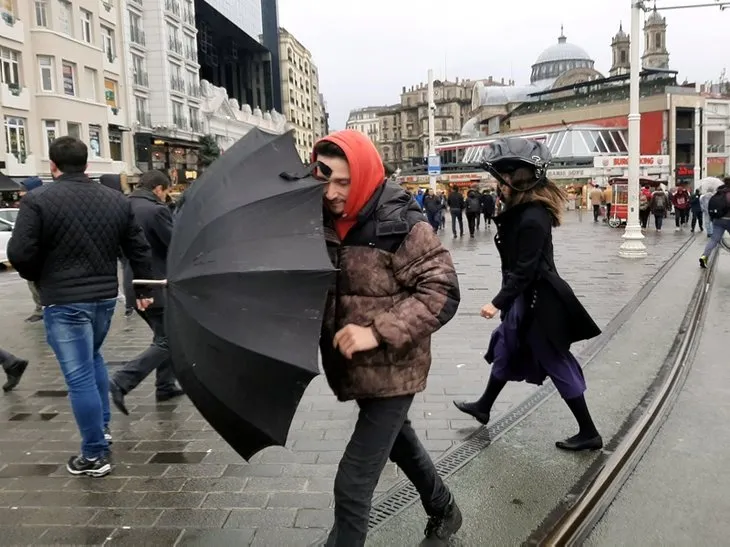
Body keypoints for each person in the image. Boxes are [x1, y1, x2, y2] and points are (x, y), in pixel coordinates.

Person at [313, 130, 462, 547]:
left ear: (363, 176)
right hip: (355, 369)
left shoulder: (402, 226)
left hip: (397, 369)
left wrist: (375, 332)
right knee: (401, 444)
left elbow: (443, 292)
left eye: (343, 182)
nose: (332, 192)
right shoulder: (320, 221)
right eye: (325, 179)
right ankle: (444, 508)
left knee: (353, 482)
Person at [7, 137, 153, 477]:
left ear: (53, 165)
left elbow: (19, 252)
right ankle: (100, 429)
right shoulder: (115, 199)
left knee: (79, 376)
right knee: (92, 360)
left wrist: (38, 278)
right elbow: (138, 246)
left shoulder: (38, 200)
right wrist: (143, 286)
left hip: (64, 299)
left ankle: (94, 454)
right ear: (86, 164)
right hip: (104, 298)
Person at [453, 138, 602, 451]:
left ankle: (589, 431)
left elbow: (526, 270)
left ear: (517, 182)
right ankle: (483, 406)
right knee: (506, 345)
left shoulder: (532, 217)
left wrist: (497, 302)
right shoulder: (523, 213)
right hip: (526, 300)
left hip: (540, 302)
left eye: (503, 180)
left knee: (556, 362)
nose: (499, 186)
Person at [109, 170, 183, 415]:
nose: (166, 197)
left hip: (133, 283)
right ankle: (122, 381)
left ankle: (165, 386)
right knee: (168, 339)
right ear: (158, 189)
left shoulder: (121, 206)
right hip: (156, 286)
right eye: (166, 192)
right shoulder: (156, 210)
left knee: (163, 336)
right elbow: (176, 245)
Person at [19, 177, 44, 323]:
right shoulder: (28, 204)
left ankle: (42, 309)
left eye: (24, 190)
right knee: (33, 283)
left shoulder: (37, 205)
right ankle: (40, 308)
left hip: (39, 251)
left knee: (37, 282)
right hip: (32, 252)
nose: (21, 193)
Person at [699, 178, 730, 269]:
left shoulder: (718, 193)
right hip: (728, 219)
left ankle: (704, 256)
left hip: (717, 221)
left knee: (713, 240)